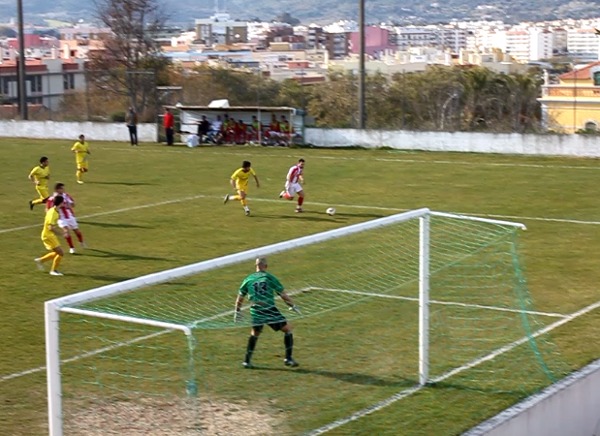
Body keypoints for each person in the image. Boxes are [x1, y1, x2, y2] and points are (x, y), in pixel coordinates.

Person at [234, 257, 300, 368]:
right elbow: (282, 294)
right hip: (269, 310)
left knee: (255, 334)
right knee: (287, 330)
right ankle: (288, 359)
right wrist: (292, 306)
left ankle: (246, 361)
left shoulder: (248, 279)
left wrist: (237, 312)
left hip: (256, 311)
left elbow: (240, 297)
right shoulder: (269, 277)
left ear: (256, 266)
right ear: (266, 266)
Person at [47, 183, 86, 254]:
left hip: (70, 216)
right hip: (61, 218)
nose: (63, 190)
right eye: (62, 188)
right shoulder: (52, 199)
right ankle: (72, 248)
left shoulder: (66, 195)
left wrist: (67, 205)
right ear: (57, 189)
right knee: (66, 231)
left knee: (77, 231)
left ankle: (81, 242)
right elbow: (48, 209)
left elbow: (73, 204)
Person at [34, 195, 65, 276]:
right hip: (48, 236)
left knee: (57, 252)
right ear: (61, 203)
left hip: (49, 235)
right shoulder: (53, 213)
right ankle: (53, 271)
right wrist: (61, 233)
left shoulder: (53, 210)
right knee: (61, 253)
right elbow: (50, 228)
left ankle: (40, 261)